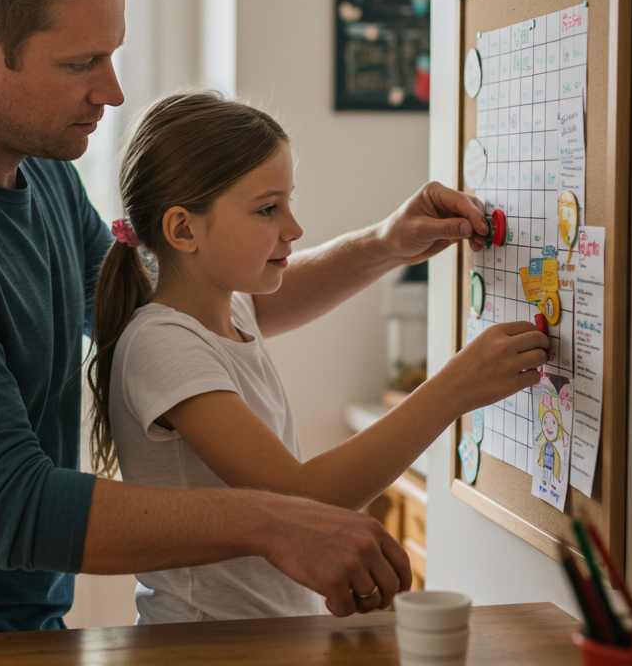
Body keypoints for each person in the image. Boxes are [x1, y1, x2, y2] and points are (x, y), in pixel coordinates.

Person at [0, 0, 506, 642]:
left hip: (22, 630)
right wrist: (277, 521)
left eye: (112, 55)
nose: (113, 90)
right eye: (80, 64)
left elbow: (189, 304)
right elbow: (7, 509)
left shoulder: (43, 175)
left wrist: (386, 243)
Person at [89, 93, 550, 624]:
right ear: (184, 230)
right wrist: (453, 390)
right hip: (205, 644)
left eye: (287, 203)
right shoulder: (162, 344)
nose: (294, 228)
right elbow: (300, 503)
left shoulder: (228, 309)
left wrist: (389, 241)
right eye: (268, 209)